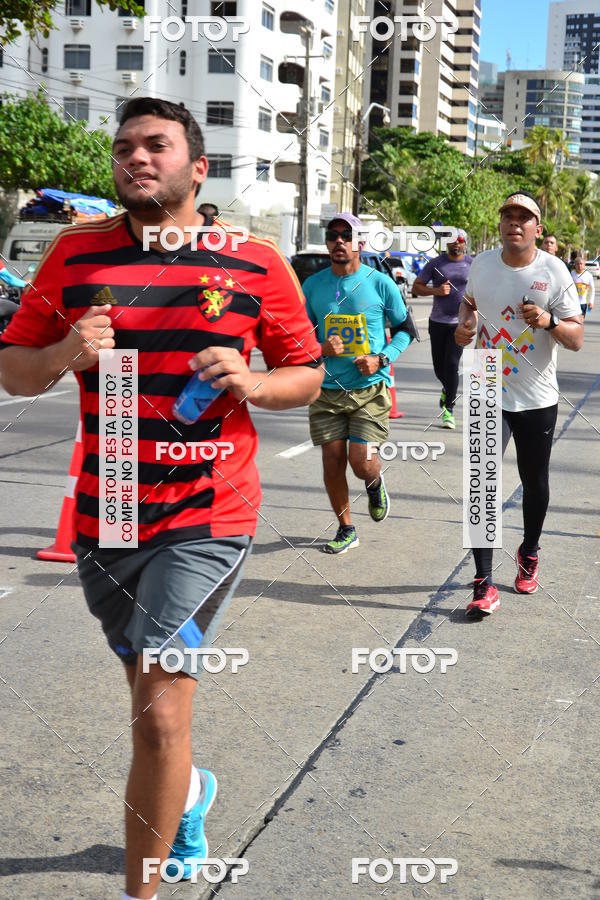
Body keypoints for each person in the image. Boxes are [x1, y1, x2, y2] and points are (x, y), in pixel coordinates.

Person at [0, 97, 323, 900]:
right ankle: (188, 799)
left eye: (157, 146)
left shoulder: (253, 260)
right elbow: (14, 370)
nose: (137, 159)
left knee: (161, 711)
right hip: (106, 511)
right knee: (146, 699)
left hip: (209, 513)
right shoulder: (75, 256)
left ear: (197, 167)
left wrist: (252, 381)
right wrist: (69, 351)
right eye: (124, 148)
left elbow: (309, 372)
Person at [455, 191, 583, 616]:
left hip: (536, 390)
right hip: (485, 376)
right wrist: (464, 325)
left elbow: (577, 337)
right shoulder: (483, 264)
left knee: (534, 481)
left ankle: (529, 550)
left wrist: (548, 321)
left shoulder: (555, 270)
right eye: (508, 216)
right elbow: (469, 304)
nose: (515, 222)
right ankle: (483, 582)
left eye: (524, 217)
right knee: (481, 483)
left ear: (537, 229)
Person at [302, 213, 411, 554]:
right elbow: (297, 337)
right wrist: (320, 348)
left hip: (369, 390)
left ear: (359, 243)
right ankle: (346, 527)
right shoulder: (312, 286)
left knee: (360, 462)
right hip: (326, 390)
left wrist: (381, 358)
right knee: (332, 460)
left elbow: (408, 330)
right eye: (333, 235)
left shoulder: (380, 283)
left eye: (346, 235)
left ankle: (375, 481)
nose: (338, 241)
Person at [412, 228, 472, 429]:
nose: (456, 244)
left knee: (452, 364)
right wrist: (435, 290)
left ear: (465, 243)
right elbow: (416, 287)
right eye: (452, 240)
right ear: (446, 243)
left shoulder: (472, 265)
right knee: (439, 368)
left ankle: (449, 410)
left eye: (460, 240)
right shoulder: (436, 264)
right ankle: (447, 389)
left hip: (460, 323)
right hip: (437, 322)